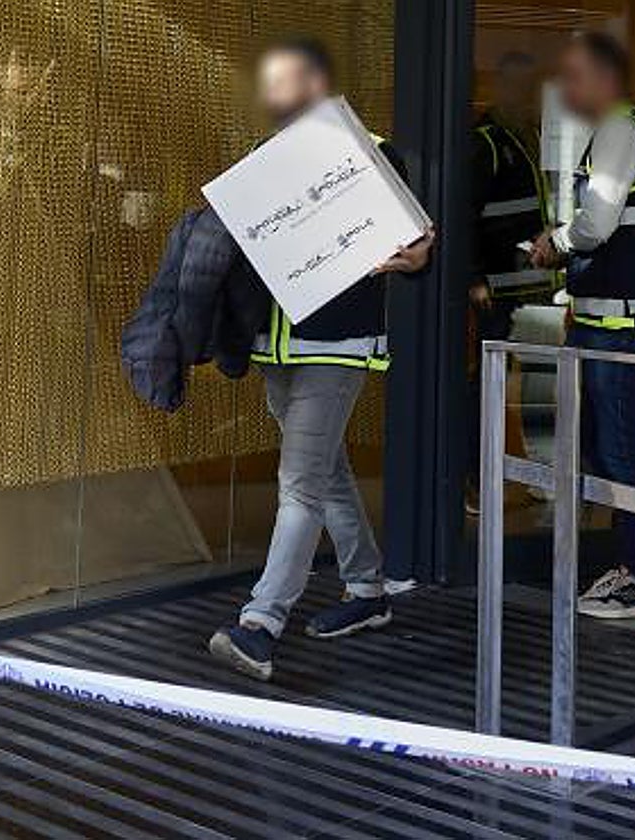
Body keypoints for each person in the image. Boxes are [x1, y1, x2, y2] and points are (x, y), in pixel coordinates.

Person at [210, 37, 434, 681]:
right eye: (276, 82)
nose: (283, 93)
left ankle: (261, 624)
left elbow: (418, 244)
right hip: (276, 347)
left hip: (335, 351)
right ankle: (367, 592)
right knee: (325, 472)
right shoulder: (262, 162)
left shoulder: (371, 156)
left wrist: (417, 256)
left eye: (294, 80)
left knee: (300, 482)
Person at [531, 32, 635, 619]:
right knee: (605, 445)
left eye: (573, 76)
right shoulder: (623, 132)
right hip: (612, 318)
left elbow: (595, 224)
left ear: (603, 79)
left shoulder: (622, 131)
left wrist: (556, 243)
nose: (567, 90)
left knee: (619, 447)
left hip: (626, 324)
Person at [466, 51, 555, 512]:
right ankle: (478, 479)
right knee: (490, 384)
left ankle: (543, 475)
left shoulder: (533, 138)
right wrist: (474, 276)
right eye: (518, 88)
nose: (526, 98)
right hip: (498, 288)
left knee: (541, 382)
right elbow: (464, 213)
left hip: (533, 284)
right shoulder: (487, 143)